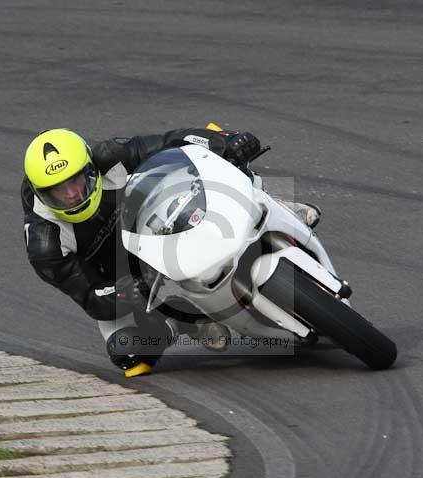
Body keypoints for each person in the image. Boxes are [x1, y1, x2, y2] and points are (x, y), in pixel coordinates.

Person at [21, 127, 320, 377]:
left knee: (225, 163)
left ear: (90, 167)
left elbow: (172, 143)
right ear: (42, 196)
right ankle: (179, 322)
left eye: (75, 181)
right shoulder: (46, 244)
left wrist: (224, 142)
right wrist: (126, 292)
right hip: (118, 275)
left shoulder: (110, 157)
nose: (72, 195)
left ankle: (277, 207)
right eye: (58, 192)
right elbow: (90, 298)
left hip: (157, 225)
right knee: (127, 350)